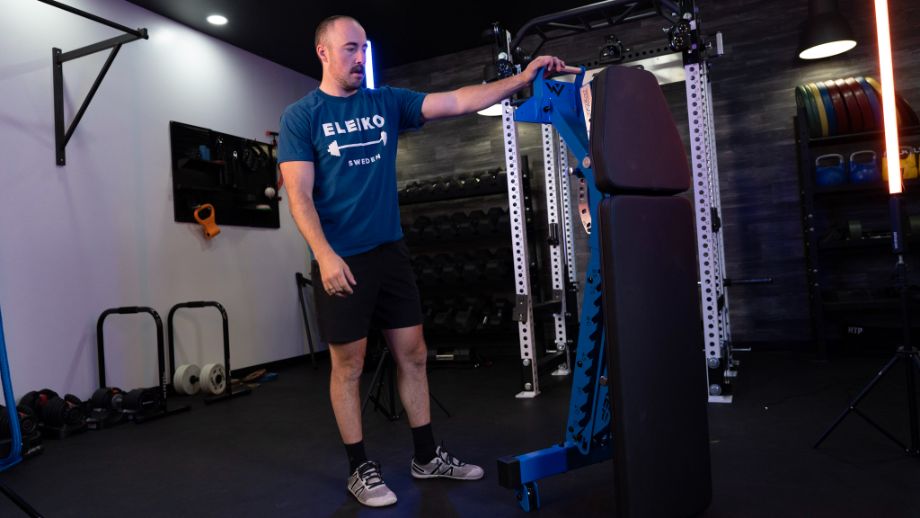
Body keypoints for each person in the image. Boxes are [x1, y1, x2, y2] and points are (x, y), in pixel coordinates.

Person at [277, 14, 569, 508]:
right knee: (347, 365)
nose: (359, 57)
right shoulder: (300, 116)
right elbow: (299, 195)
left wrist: (521, 79)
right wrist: (324, 255)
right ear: (323, 52)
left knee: (413, 353)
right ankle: (358, 468)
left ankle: (426, 455)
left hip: (390, 252)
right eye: (349, 48)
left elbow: (456, 101)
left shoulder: (386, 102)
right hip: (340, 256)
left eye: (364, 48)